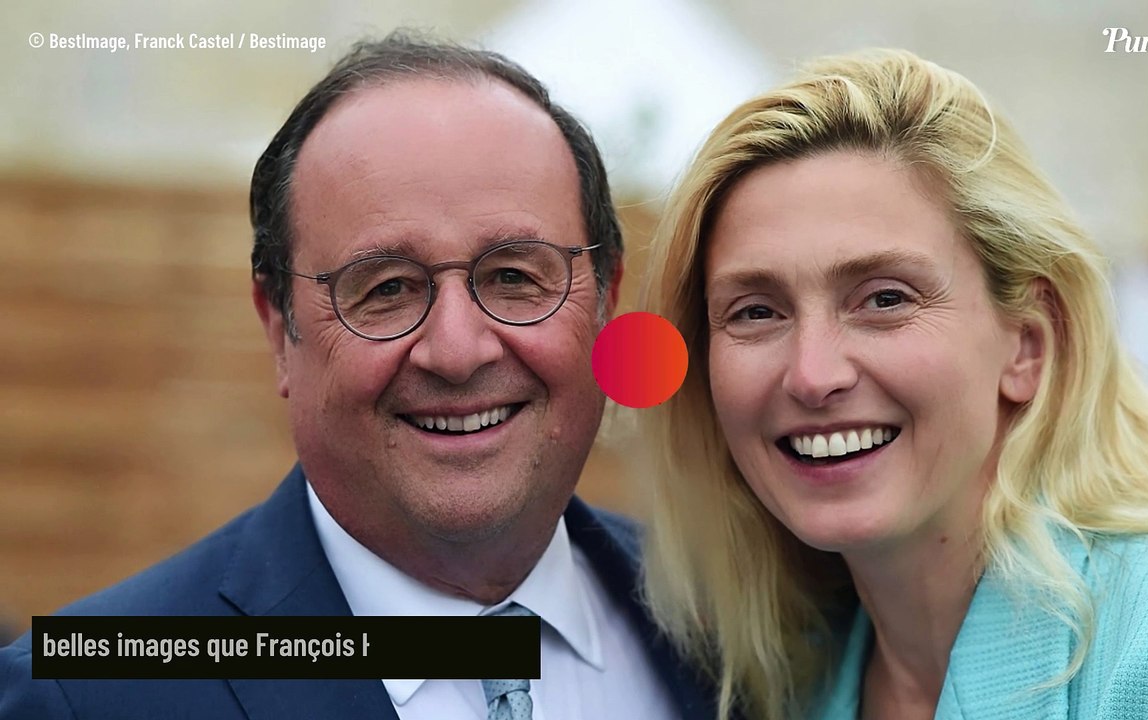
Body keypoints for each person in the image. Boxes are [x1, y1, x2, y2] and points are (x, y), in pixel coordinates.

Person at [0, 31, 717, 720]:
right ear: (280, 327)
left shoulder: (741, 635)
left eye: (512, 276)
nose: (459, 351)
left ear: (607, 301)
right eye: (387, 289)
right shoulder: (82, 693)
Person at [638, 49, 1148, 720]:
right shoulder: (784, 684)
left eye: (884, 299)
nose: (813, 375)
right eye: (757, 312)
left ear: (1028, 343)